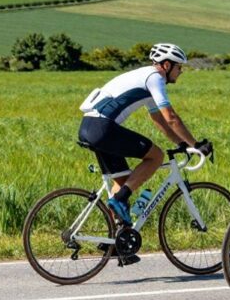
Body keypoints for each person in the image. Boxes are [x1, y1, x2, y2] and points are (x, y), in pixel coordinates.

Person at [77, 43, 213, 229]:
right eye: (179, 66)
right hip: (102, 128)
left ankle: (118, 239)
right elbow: (171, 118)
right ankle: (119, 201)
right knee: (156, 156)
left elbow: (157, 118)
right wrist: (196, 144)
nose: (181, 71)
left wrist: (180, 142)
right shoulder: (154, 78)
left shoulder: (145, 77)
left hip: (89, 127)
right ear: (166, 65)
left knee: (123, 181)